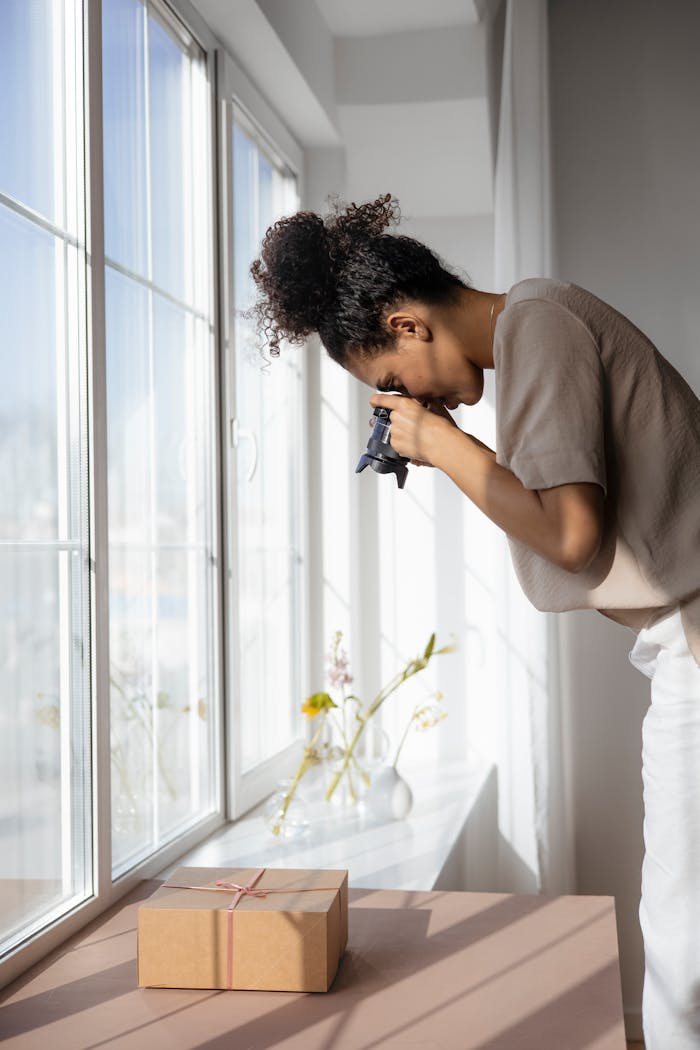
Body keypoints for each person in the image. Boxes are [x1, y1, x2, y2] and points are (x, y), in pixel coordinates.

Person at [249, 192, 700, 1049]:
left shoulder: (538, 324)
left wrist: (439, 445)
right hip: (681, 638)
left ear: (407, 323)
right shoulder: (543, 320)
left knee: (685, 940)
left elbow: (571, 534)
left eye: (388, 381)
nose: (403, 401)